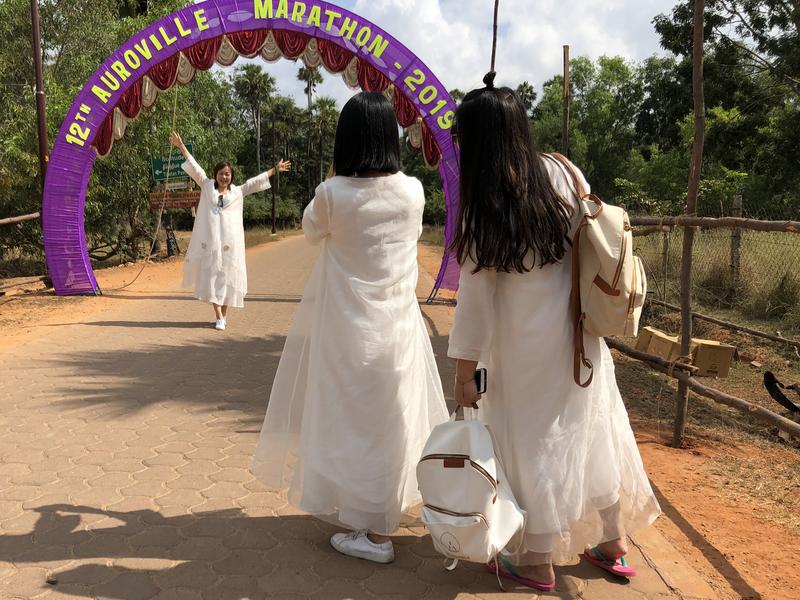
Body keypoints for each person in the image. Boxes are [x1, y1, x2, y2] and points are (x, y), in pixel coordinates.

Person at [447, 74, 661, 591]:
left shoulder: (487, 199)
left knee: (533, 448)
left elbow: (474, 301)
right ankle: (613, 544)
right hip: (580, 340)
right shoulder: (564, 172)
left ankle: (536, 558)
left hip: (521, 348)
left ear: (478, 142)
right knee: (593, 436)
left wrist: (463, 373)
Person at [251, 92, 448, 563]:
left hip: (346, 333)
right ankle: (382, 520)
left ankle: (368, 528)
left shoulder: (332, 195)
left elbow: (310, 230)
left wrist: (332, 183)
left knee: (349, 423)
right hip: (399, 329)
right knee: (393, 422)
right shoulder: (413, 192)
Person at [169, 131, 291, 330]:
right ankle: (218, 315)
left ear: (231, 176)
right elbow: (195, 166)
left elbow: (254, 181)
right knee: (211, 278)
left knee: (227, 280)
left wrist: (275, 170)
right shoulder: (207, 186)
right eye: (221, 173)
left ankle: (223, 316)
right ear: (215, 175)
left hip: (230, 245)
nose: (224, 177)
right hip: (211, 244)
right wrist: (181, 146)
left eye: (227, 174)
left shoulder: (238, 192)